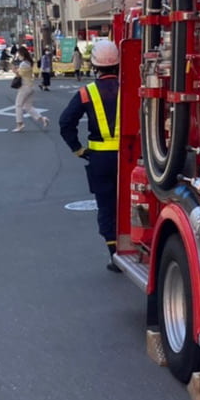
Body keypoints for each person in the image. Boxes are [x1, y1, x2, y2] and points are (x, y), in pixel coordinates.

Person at [58, 38, 122, 272]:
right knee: (128, 202)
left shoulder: (87, 93)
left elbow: (65, 122)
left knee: (106, 205)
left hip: (99, 159)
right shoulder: (131, 87)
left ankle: (115, 256)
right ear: (117, 64)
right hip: (128, 158)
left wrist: (78, 149)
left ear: (94, 65)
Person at [12, 46, 48, 132]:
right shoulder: (28, 63)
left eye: (19, 54)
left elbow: (19, 75)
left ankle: (19, 124)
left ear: (21, 54)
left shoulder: (23, 64)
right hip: (31, 87)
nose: (18, 55)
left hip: (25, 87)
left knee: (18, 105)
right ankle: (42, 119)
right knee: (28, 106)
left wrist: (14, 70)